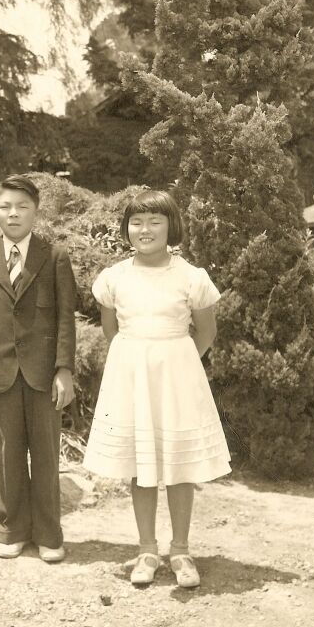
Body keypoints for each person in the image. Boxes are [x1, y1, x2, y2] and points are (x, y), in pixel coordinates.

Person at [82, 189, 231, 588]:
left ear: (171, 227)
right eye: (136, 222)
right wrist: (138, 361)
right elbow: (112, 331)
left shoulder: (191, 277)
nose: (144, 230)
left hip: (178, 377)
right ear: (126, 229)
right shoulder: (114, 278)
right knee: (141, 465)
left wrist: (177, 361)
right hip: (132, 376)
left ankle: (180, 550)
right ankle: (147, 549)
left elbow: (206, 332)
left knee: (180, 466)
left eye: (155, 221)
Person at [0, 175, 77, 563]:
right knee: (9, 451)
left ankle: (49, 532)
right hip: (0, 372)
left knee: (45, 453)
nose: (14, 214)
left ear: (36, 211)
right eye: (6, 207)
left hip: (44, 372)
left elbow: (66, 319)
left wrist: (65, 370)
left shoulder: (55, 256)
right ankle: (11, 527)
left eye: (22, 206)